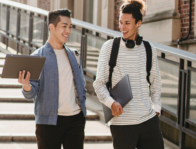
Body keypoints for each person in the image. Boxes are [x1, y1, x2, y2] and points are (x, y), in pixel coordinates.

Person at [93, 0, 164, 148]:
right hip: (122, 124)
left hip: (148, 121)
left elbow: (155, 82)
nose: (122, 27)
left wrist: (156, 108)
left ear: (138, 23)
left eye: (127, 23)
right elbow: (98, 84)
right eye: (120, 22)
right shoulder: (109, 48)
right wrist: (111, 103)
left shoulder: (149, 49)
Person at [18, 9, 87, 149]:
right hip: (48, 122)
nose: (68, 30)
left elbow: (81, 85)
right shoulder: (38, 56)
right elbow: (30, 93)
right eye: (64, 26)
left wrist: (82, 111)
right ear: (52, 27)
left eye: (70, 27)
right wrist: (26, 85)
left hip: (75, 120)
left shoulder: (74, 55)